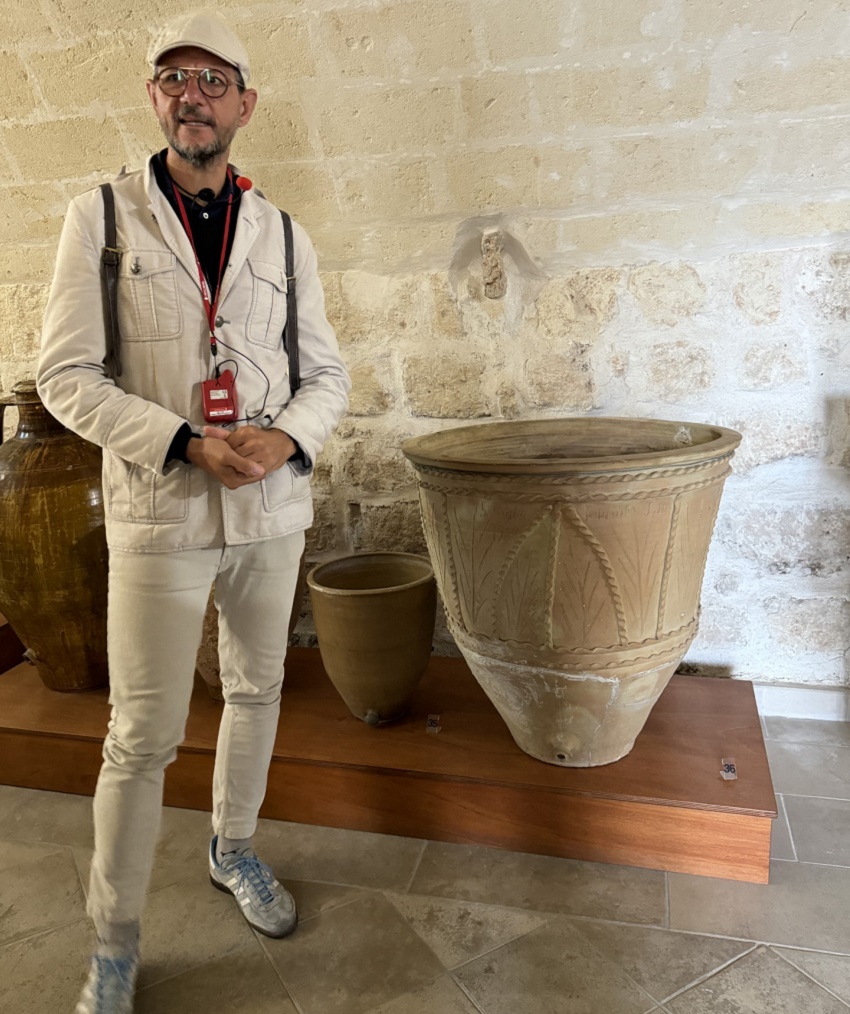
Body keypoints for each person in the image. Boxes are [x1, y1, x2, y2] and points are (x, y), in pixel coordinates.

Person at [36, 11, 350, 1013]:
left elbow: (329, 374)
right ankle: (114, 942)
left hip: (270, 509)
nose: (192, 95)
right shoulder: (104, 216)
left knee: (257, 693)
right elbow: (65, 376)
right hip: (163, 514)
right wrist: (181, 442)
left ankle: (234, 847)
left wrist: (289, 438)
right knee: (142, 734)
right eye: (174, 80)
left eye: (213, 81)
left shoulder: (286, 233)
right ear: (153, 99)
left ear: (244, 105)